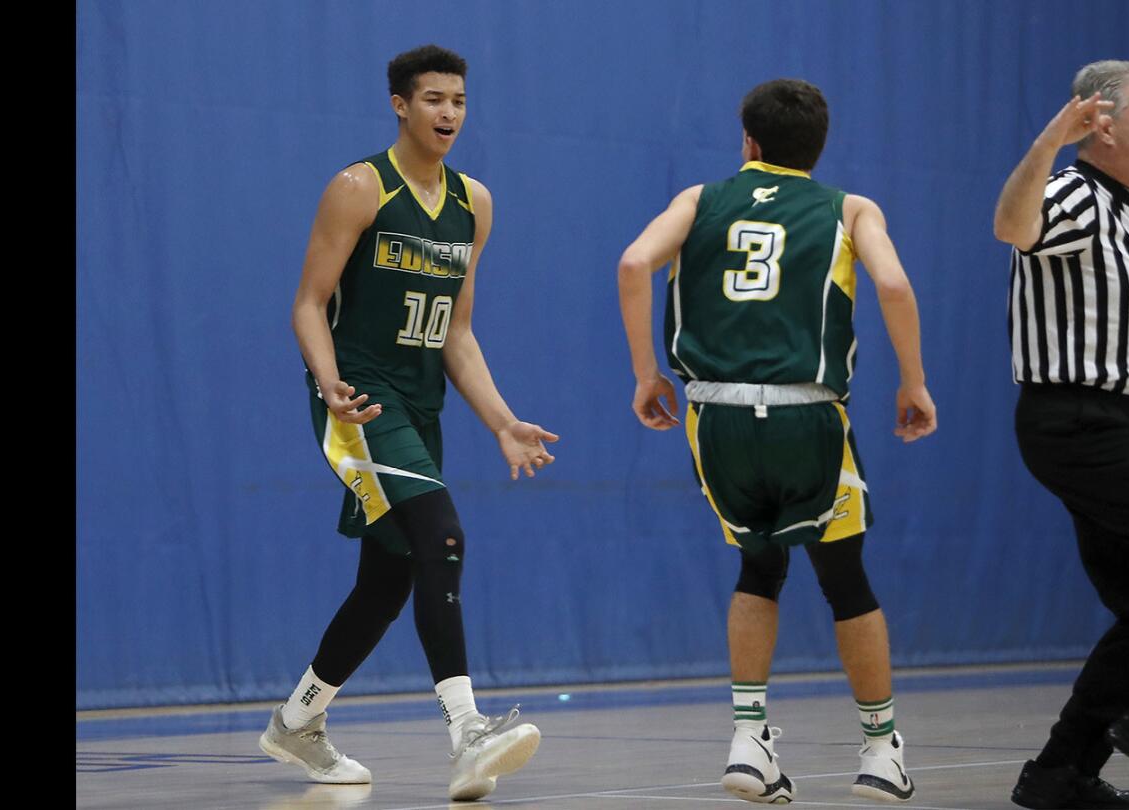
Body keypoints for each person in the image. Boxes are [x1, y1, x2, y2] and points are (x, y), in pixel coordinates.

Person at [617, 78, 937, 805]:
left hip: (716, 416)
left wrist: (646, 374)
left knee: (758, 569)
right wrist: (913, 382)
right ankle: (882, 749)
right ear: (817, 150)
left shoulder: (698, 200)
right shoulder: (849, 208)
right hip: (807, 415)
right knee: (844, 576)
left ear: (749, 144)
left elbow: (636, 263)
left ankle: (747, 741)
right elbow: (893, 285)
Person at [260, 44, 556, 802]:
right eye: (432, 99)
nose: (448, 113)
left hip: (420, 410)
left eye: (457, 100)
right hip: (360, 404)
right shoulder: (359, 187)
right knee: (443, 536)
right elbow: (307, 301)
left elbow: (457, 333)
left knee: (387, 581)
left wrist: (501, 421)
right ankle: (467, 731)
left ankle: (297, 723)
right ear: (399, 104)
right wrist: (329, 384)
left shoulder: (472, 204)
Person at [992, 60, 1129, 807]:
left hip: (1122, 423)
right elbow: (1012, 228)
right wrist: (1052, 137)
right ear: (1100, 124)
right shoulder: (1074, 192)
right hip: (1079, 423)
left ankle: (1057, 774)